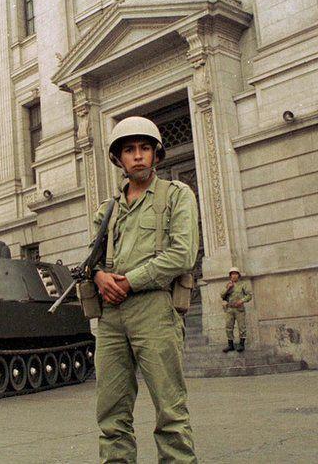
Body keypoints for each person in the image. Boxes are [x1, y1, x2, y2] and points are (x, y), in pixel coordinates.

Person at [91, 116, 200, 463]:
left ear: (155, 154)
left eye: (144, 148)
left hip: (155, 309)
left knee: (170, 411)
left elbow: (182, 254)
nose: (137, 156)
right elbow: (93, 258)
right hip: (110, 317)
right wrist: (98, 277)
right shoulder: (106, 210)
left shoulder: (177, 195)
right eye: (129, 150)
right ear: (118, 159)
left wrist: (129, 280)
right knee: (111, 416)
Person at [221, 267, 253, 353]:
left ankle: (241, 344)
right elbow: (222, 295)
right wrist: (228, 288)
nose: (234, 276)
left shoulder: (243, 284)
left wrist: (242, 300)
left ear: (238, 275)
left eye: (235, 274)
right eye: (232, 274)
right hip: (230, 308)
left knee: (242, 326)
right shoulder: (228, 285)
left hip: (239, 309)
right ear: (230, 276)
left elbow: (249, 295)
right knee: (228, 326)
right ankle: (230, 345)